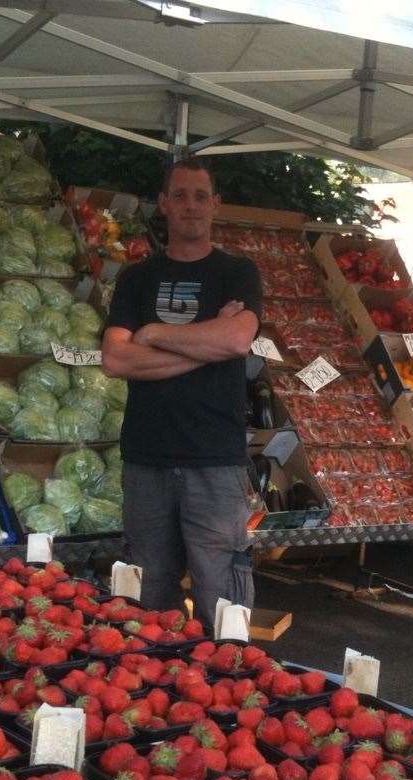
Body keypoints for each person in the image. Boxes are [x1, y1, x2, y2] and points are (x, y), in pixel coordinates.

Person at [101, 159, 261, 629]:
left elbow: (236, 341)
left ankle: (229, 688)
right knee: (148, 602)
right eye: (181, 195)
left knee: (223, 600)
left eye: (200, 196)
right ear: (164, 204)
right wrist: (205, 344)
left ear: (215, 205)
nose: (190, 205)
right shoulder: (136, 279)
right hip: (146, 461)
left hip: (214, 462)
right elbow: (116, 361)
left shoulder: (238, 273)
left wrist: (151, 332)